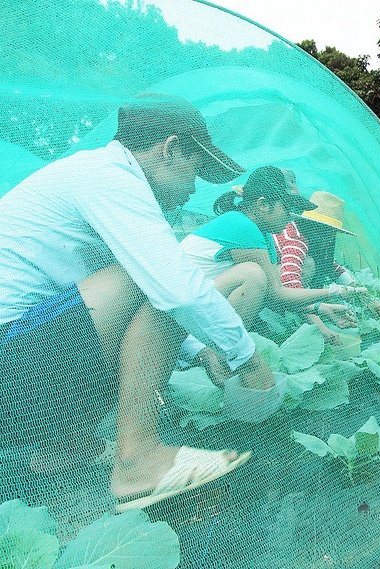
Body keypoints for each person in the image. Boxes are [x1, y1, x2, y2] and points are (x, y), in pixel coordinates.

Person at [0, 94, 274, 512]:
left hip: (21, 382)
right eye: (196, 169)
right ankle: (138, 458)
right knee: (157, 278)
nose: (194, 187)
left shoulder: (97, 180)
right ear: (170, 149)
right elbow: (174, 289)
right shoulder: (106, 175)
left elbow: (118, 308)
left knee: (148, 277)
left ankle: (64, 449)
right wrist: (248, 360)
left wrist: (201, 353)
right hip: (12, 375)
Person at [179, 169, 365, 379]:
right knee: (252, 275)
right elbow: (275, 294)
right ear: (263, 204)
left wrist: (321, 308)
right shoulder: (241, 225)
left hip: (197, 313)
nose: (290, 218)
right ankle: (222, 354)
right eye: (287, 208)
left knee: (263, 275)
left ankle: (221, 350)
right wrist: (334, 292)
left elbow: (275, 295)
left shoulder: (263, 233)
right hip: (180, 321)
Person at [273, 190, 370, 342]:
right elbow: (291, 283)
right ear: (313, 227)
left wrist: (359, 292)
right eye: (326, 232)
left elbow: (330, 265)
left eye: (332, 233)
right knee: (309, 264)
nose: (329, 238)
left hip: (278, 287)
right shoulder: (296, 241)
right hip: (270, 288)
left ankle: (301, 312)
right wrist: (321, 329)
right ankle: (289, 314)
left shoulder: (313, 237)